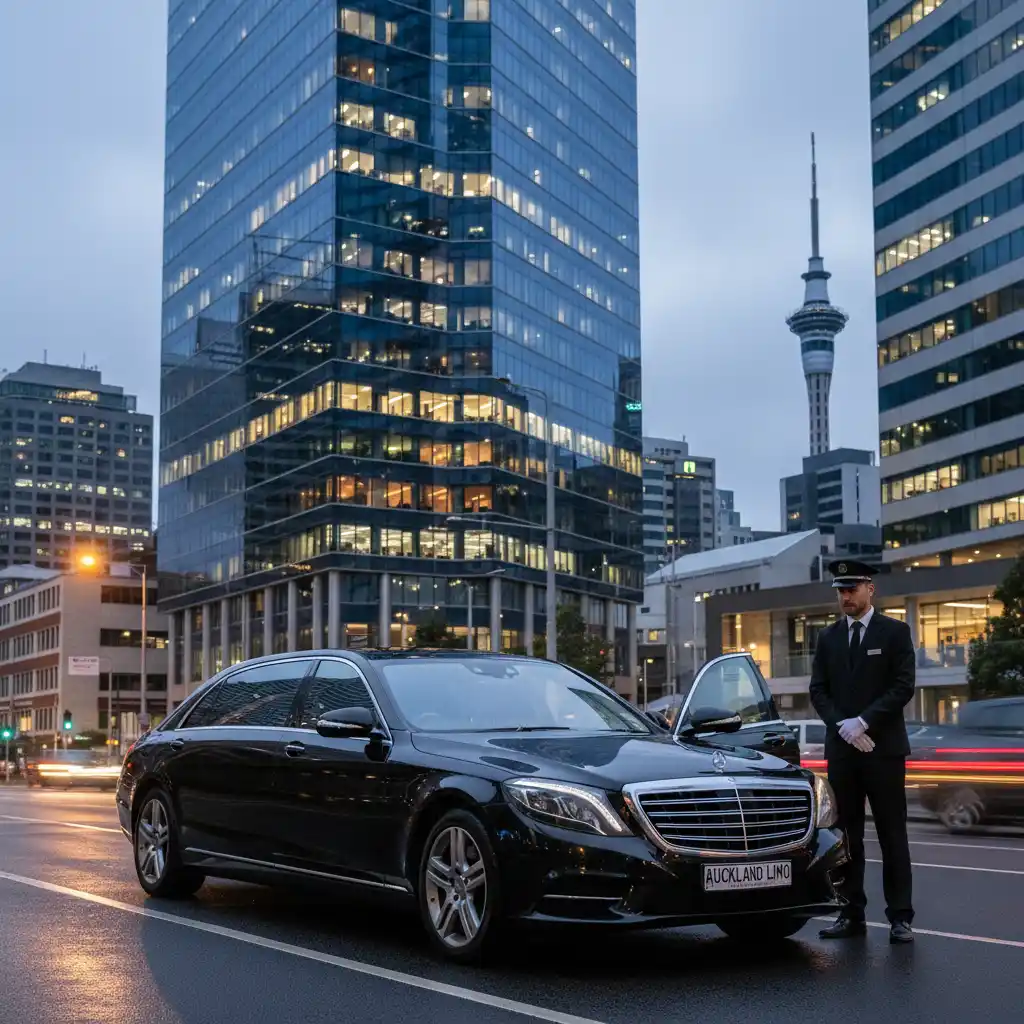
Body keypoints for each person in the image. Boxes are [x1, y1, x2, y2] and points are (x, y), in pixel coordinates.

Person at [809, 559, 916, 943]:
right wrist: (843, 725)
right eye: (840, 590)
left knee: (892, 834)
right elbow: (818, 690)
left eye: (851, 589)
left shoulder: (895, 632)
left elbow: (902, 687)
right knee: (846, 836)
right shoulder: (829, 637)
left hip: (883, 750)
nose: (845, 596)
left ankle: (900, 917)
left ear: (871, 589)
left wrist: (865, 722)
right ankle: (850, 912)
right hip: (843, 750)